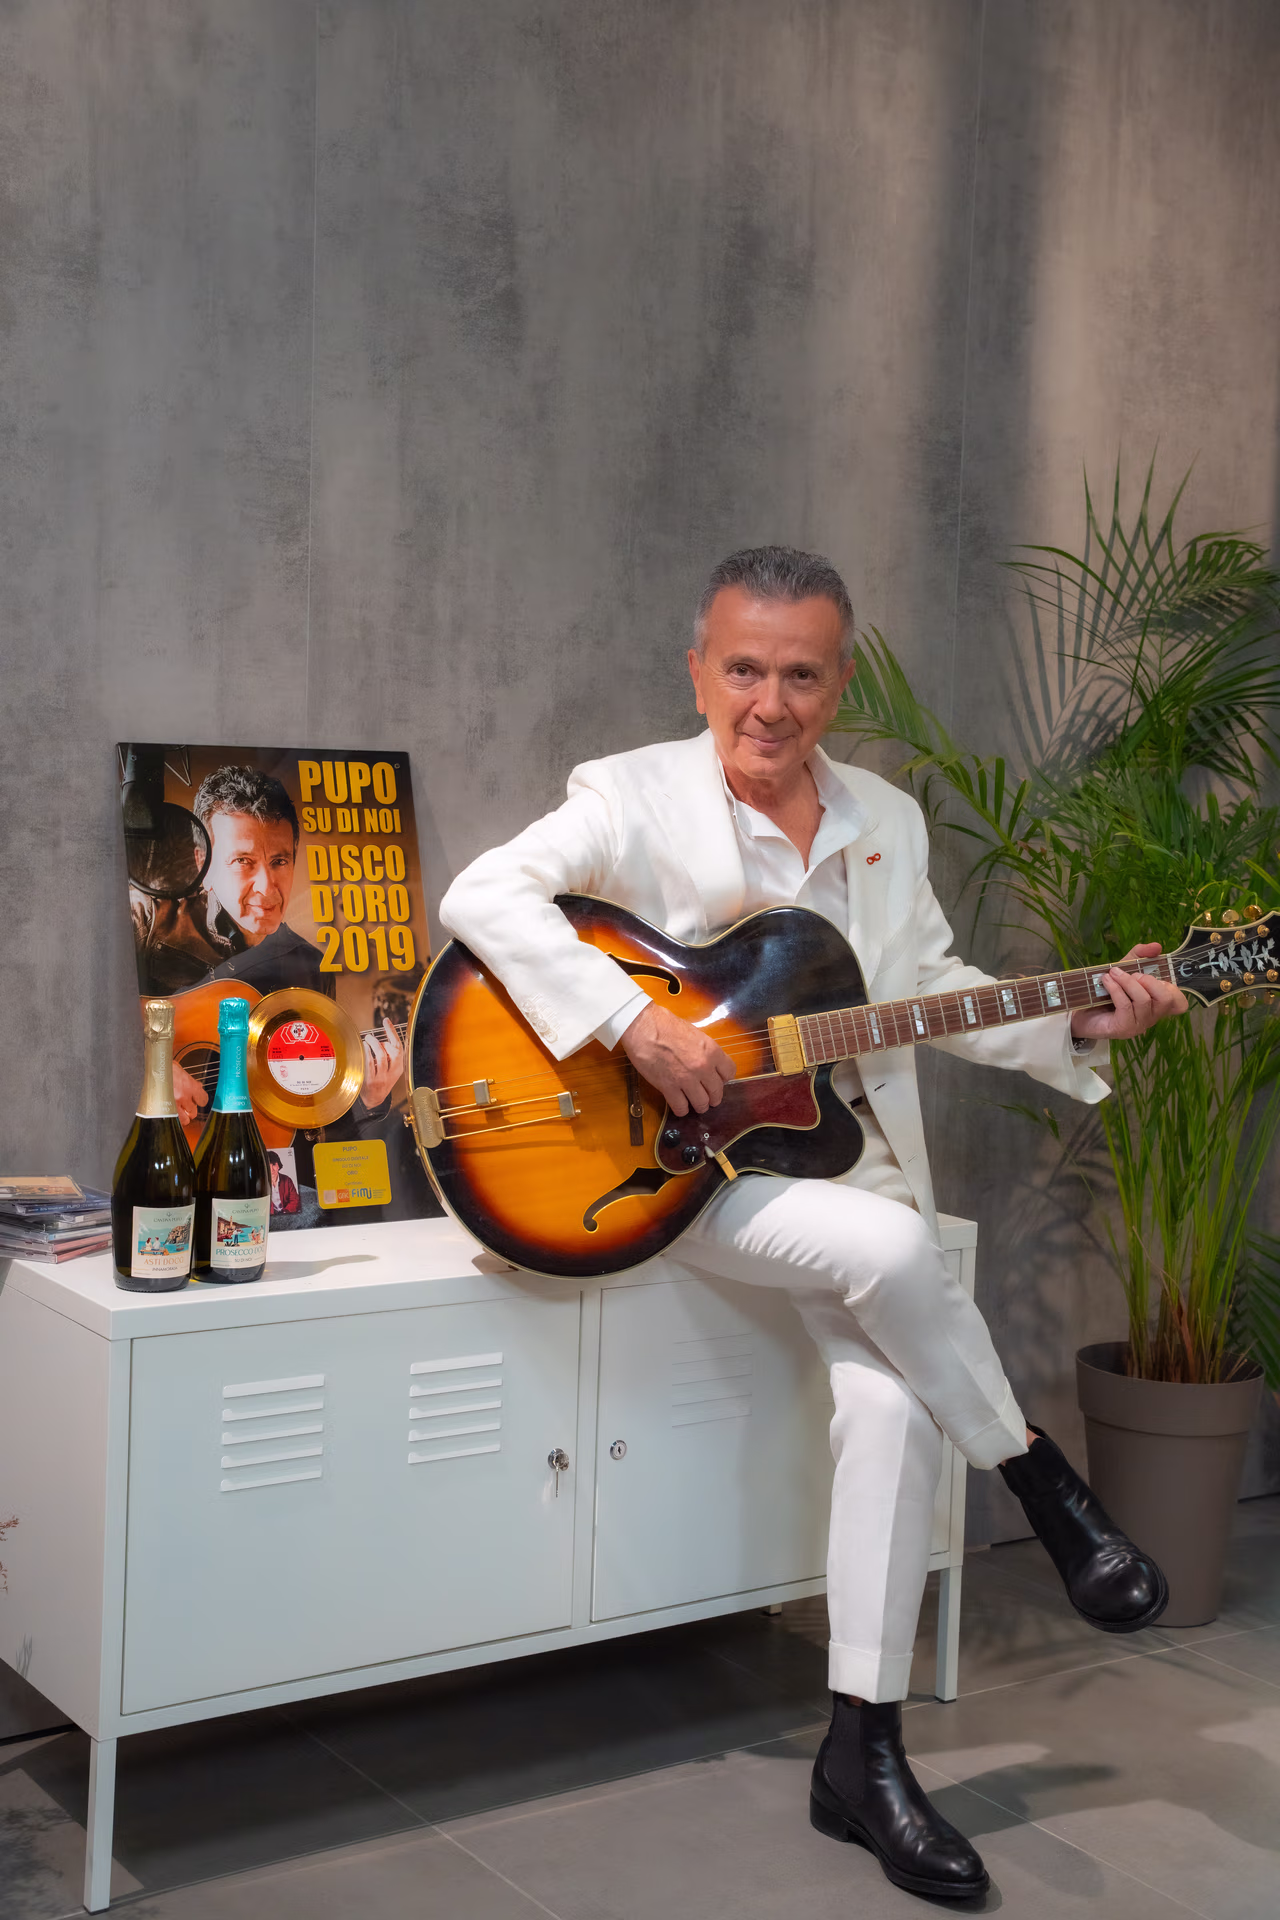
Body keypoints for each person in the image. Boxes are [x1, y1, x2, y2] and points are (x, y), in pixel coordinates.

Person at [439, 546, 1187, 1902]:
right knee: (899, 1250)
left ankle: (866, 1755)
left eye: (800, 673)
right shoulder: (628, 794)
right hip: (675, 1185)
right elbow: (481, 899)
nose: (768, 701)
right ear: (698, 669)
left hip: (826, 1171)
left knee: (894, 1413)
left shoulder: (884, 821)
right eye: (743, 668)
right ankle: (1040, 1483)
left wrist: (1086, 1013)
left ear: (839, 682)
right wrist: (633, 1021)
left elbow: (938, 988)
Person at [141, 765, 403, 1129]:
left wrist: (367, 1100)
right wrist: (151, 1064)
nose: (267, 886)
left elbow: (307, 1119)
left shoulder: (310, 966)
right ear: (202, 862)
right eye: (243, 862)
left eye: (279, 861)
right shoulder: (147, 921)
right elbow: (80, 1026)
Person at [267, 1150, 301, 1217]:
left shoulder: (287, 1180)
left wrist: (286, 1212)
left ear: (278, 1166)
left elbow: (294, 1199)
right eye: (268, 1166)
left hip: (287, 1212)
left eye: (273, 1164)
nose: (271, 1169)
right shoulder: (262, 1183)